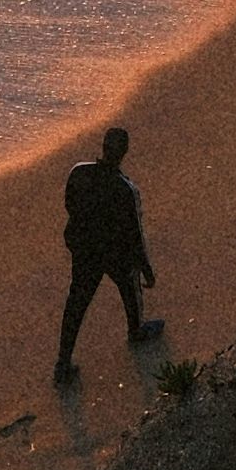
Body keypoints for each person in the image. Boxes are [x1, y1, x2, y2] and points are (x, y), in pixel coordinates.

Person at [54, 125, 164, 383]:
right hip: (115, 253)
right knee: (130, 287)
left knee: (76, 303)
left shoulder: (79, 172)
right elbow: (135, 234)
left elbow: (69, 204)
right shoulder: (126, 189)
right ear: (124, 152)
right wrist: (146, 268)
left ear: (103, 146)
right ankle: (136, 330)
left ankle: (62, 361)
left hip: (85, 250)